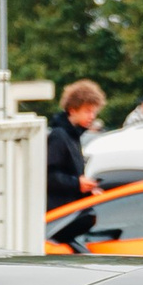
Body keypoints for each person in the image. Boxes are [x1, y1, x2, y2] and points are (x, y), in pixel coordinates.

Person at [46, 80, 104, 209]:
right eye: (88, 111)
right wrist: (77, 183)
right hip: (60, 214)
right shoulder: (59, 135)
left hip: (68, 210)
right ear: (72, 110)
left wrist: (87, 190)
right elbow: (49, 176)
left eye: (94, 112)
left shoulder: (73, 134)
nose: (92, 116)